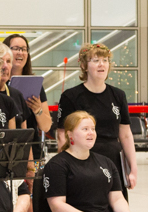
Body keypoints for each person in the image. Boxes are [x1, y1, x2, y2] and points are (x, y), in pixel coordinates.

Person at [56, 43, 140, 190]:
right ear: (84, 66)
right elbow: (62, 134)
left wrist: (133, 168)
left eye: (105, 60)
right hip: (83, 158)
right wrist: (66, 165)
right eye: (95, 60)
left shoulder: (118, 95)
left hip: (112, 158)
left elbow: (125, 134)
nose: (102, 64)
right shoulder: (71, 96)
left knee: (116, 203)